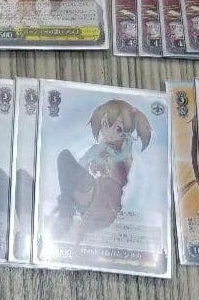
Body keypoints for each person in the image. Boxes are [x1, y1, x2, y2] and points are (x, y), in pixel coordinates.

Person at [56, 99, 152, 237]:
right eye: (105, 125)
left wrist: (125, 143)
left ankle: (68, 210)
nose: (109, 132)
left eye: (118, 129)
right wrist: (90, 164)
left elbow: (120, 163)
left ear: (126, 132)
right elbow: (81, 165)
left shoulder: (124, 154)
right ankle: (67, 210)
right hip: (86, 194)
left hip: (104, 200)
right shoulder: (96, 148)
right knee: (64, 156)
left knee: (88, 179)